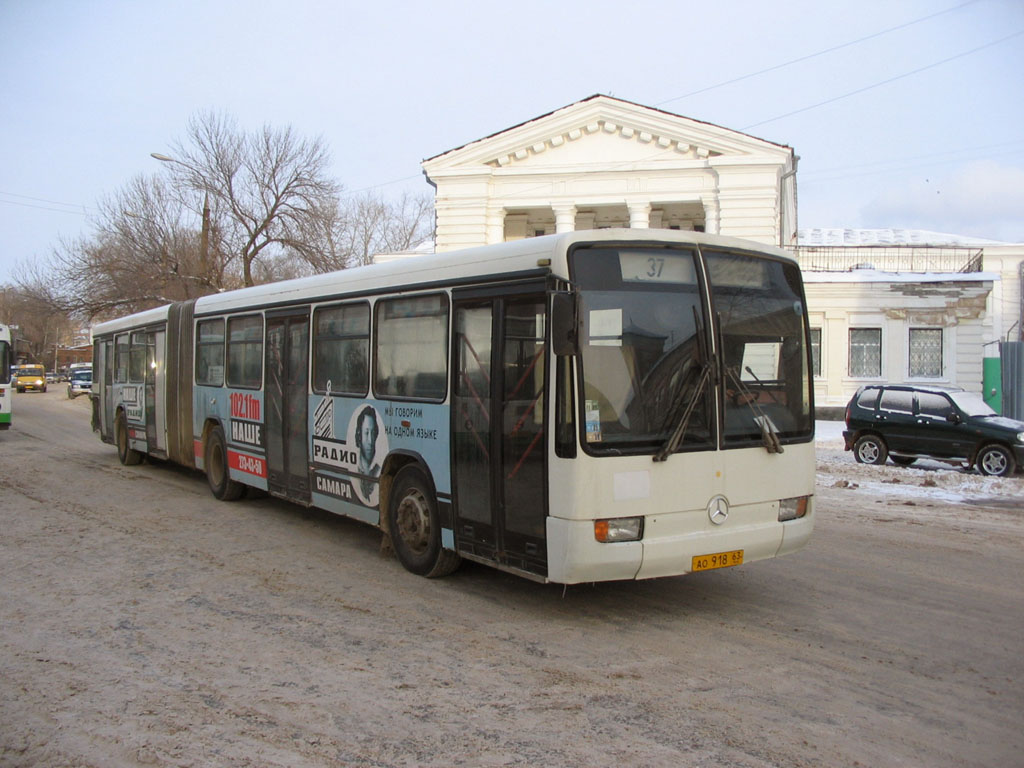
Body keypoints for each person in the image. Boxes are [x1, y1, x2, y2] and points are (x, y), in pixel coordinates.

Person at [354, 405, 381, 504]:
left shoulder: (379, 470)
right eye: (366, 433)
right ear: (359, 434)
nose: (370, 441)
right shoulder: (354, 468)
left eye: (373, 433)